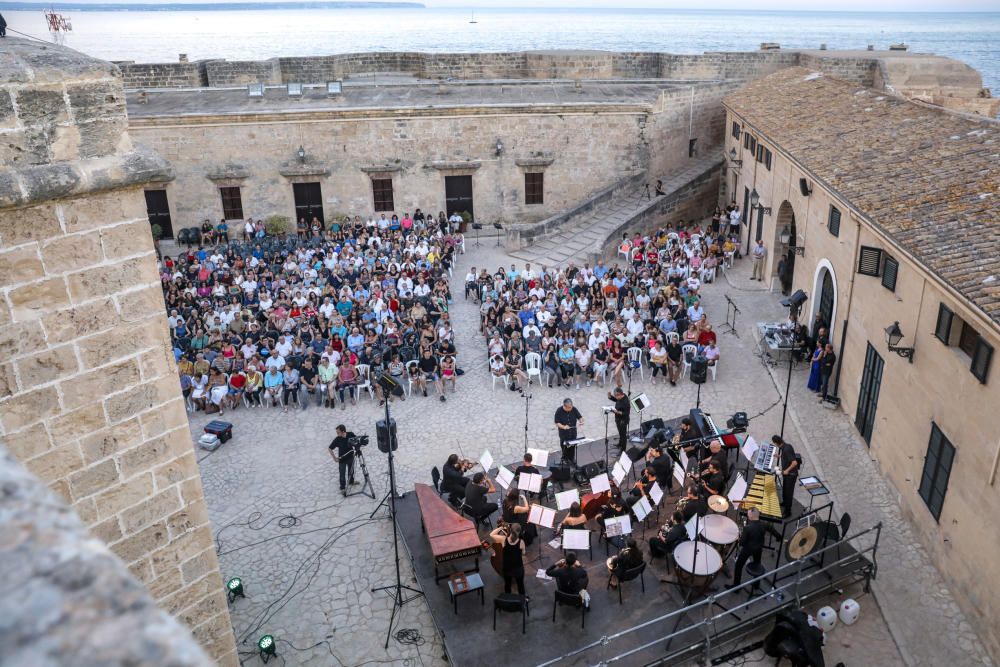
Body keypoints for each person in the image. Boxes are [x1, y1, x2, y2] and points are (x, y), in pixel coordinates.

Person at [732, 508, 766, 587]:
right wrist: (778, 537)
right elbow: (773, 531)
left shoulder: (747, 528)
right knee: (757, 562)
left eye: (748, 514)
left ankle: (736, 586)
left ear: (751, 516)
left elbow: (742, 543)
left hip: (748, 549)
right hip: (759, 548)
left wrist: (740, 538)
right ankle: (756, 584)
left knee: (738, 565)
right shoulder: (764, 524)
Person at [491, 523, 528, 596]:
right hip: (518, 569)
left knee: (507, 585)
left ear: (510, 530)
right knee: (520, 586)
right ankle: (523, 600)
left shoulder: (503, 539)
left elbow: (492, 534)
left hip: (507, 569)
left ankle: (508, 598)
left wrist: (501, 527)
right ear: (519, 531)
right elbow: (523, 553)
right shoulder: (521, 542)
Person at [327, 424, 359, 496]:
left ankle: (351, 481)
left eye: (338, 432)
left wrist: (356, 450)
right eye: (337, 432)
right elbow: (329, 448)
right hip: (342, 459)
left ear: (343, 431)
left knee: (351, 470)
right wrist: (334, 458)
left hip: (351, 457)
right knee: (342, 474)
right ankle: (342, 487)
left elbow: (356, 441)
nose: (337, 434)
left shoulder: (350, 434)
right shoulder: (337, 439)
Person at [773, 435, 800, 516]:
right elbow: (787, 456)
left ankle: (788, 512)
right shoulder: (786, 446)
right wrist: (779, 456)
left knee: (788, 494)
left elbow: (794, 462)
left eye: (774, 443)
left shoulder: (786, 449)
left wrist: (787, 471)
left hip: (791, 475)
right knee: (784, 490)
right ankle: (784, 503)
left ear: (776, 443)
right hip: (787, 475)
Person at [554, 398, 584, 465]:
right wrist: (563, 427)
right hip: (564, 435)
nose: (571, 408)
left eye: (571, 407)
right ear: (564, 406)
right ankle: (564, 459)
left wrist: (581, 421)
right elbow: (557, 422)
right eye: (569, 408)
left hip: (573, 433)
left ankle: (572, 458)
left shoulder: (573, 409)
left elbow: (580, 417)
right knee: (564, 448)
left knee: (572, 447)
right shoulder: (559, 411)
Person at [609, 386, 630, 451]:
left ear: (621, 394)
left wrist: (617, 412)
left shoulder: (626, 402)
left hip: (623, 421)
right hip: (618, 419)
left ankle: (623, 450)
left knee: (623, 436)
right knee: (620, 433)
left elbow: (626, 413)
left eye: (616, 396)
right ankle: (620, 444)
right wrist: (610, 396)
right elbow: (616, 399)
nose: (616, 397)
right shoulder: (620, 397)